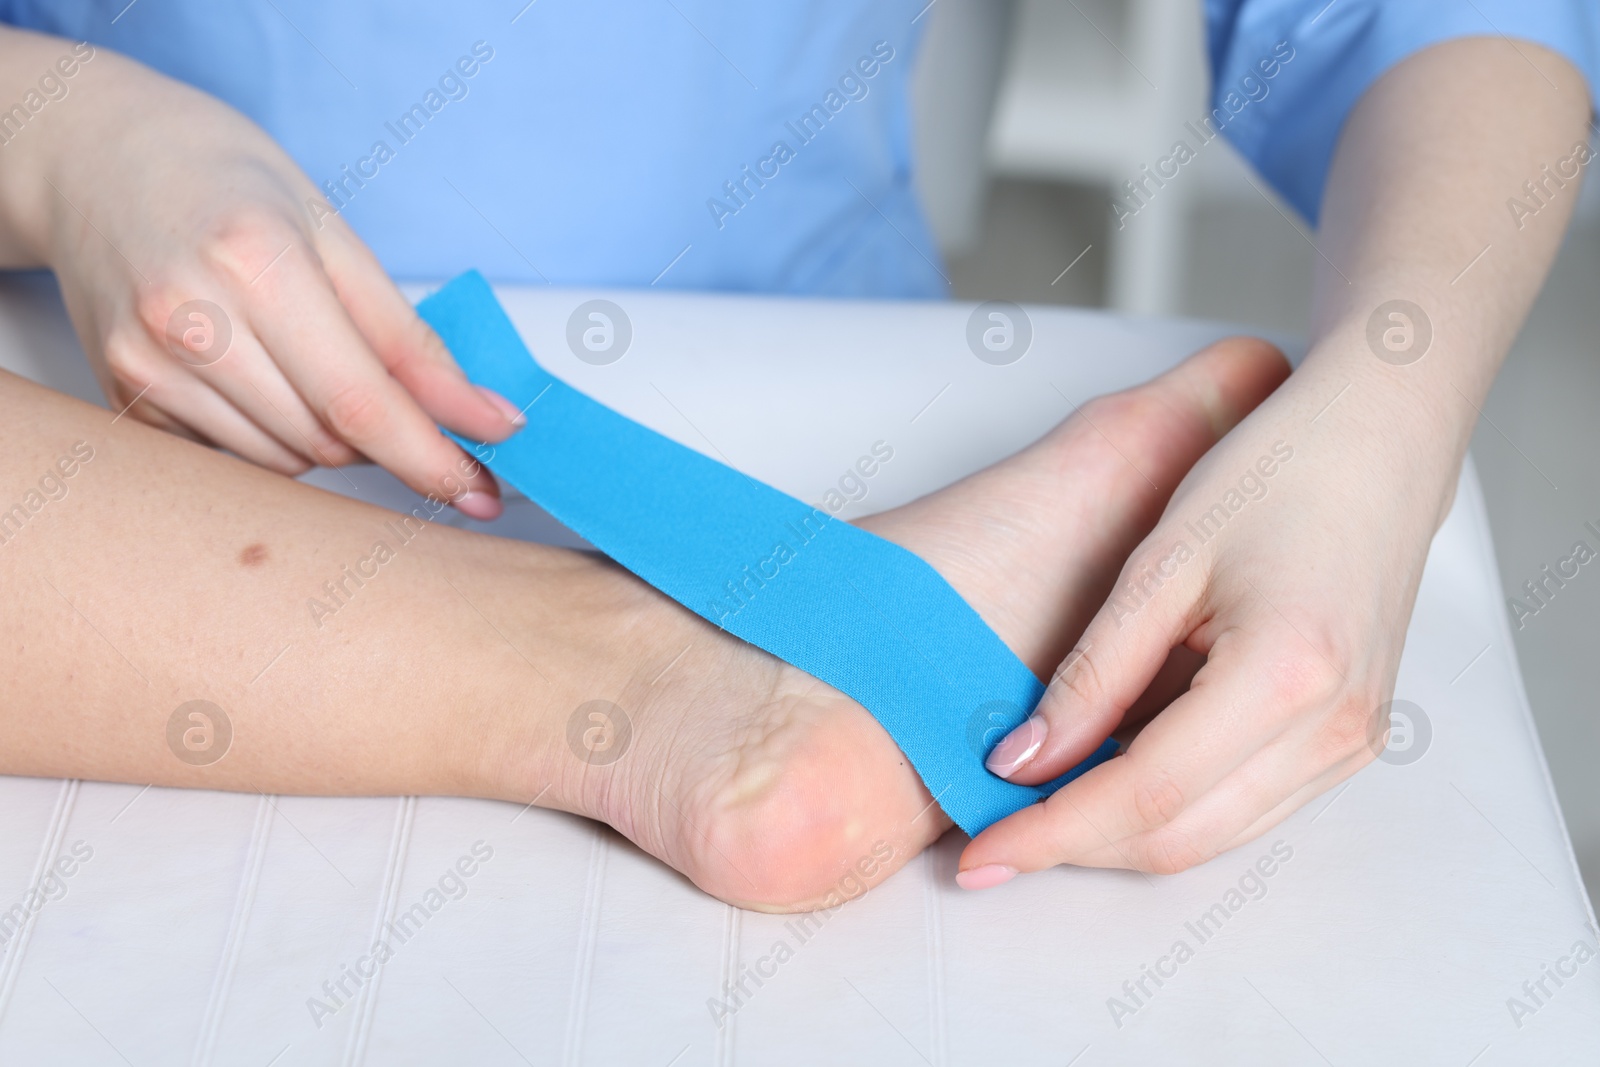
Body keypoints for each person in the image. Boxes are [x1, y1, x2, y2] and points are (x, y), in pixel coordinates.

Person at [0, 2, 1592, 899]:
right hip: (101, 377)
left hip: (805, 378)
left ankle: (736, 675)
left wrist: (1390, 407)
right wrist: (68, 134)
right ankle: (693, 679)